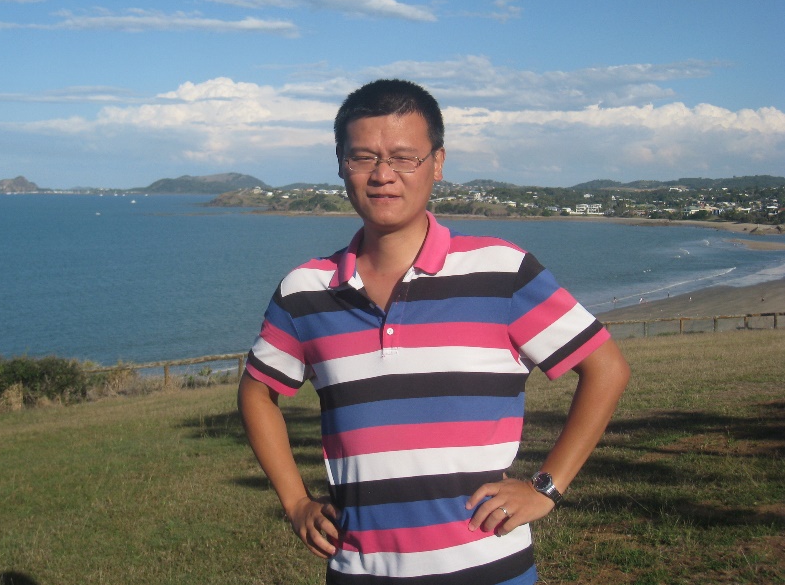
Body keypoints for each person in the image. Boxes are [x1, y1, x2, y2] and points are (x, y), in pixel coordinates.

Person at [238, 79, 630, 584]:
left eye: (404, 158)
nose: (383, 175)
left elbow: (606, 368)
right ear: (340, 164)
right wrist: (295, 502)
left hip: (491, 570)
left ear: (437, 163)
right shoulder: (305, 291)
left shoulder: (502, 272)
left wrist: (546, 488)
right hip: (362, 571)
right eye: (363, 157)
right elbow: (257, 393)